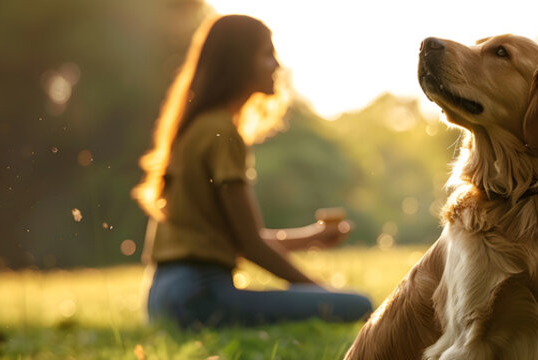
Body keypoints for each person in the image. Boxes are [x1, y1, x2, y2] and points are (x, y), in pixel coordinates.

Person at [132, 14, 372, 329]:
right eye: (267, 55)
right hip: (198, 296)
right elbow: (250, 244)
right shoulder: (222, 132)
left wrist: (311, 238)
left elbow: (233, 237)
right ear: (238, 62)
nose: (277, 65)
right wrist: (317, 289)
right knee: (357, 304)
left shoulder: (195, 128)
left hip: (163, 298)